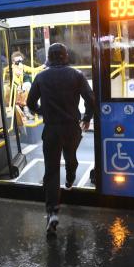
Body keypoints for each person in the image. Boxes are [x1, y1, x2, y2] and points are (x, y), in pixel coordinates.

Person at [27, 43, 95, 236]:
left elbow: (31, 103)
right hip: (72, 128)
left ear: (49, 58)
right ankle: (71, 178)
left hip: (51, 131)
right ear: (65, 57)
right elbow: (91, 99)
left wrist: (43, 111)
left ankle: (52, 215)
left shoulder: (41, 77)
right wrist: (87, 118)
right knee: (71, 156)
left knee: (51, 172)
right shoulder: (77, 75)